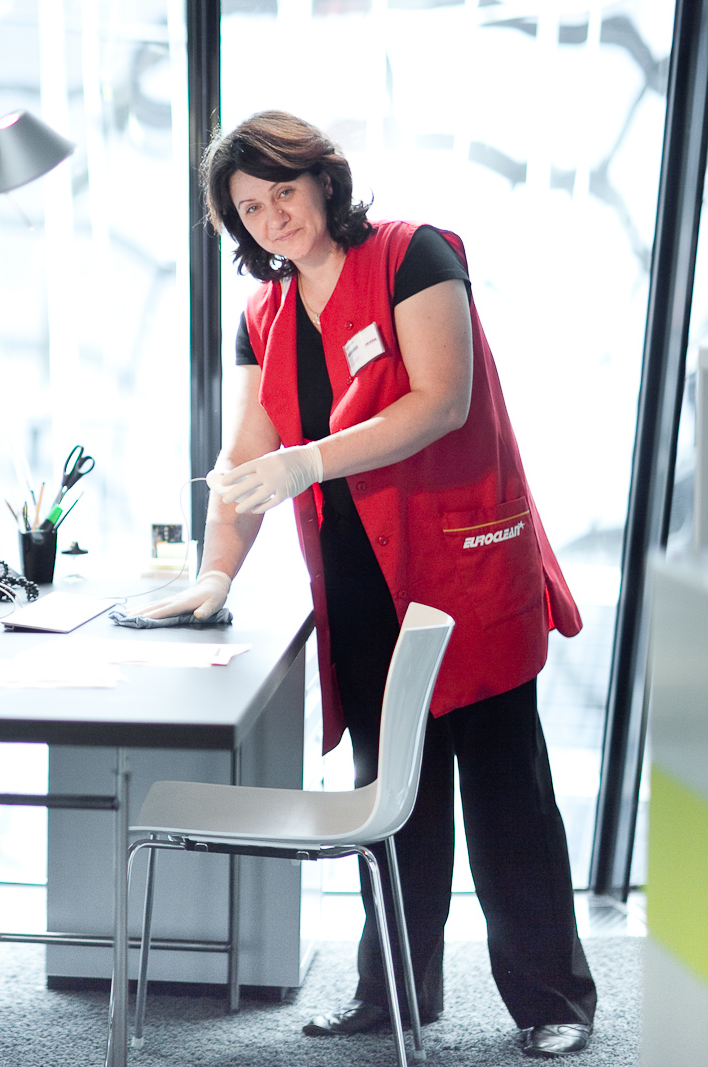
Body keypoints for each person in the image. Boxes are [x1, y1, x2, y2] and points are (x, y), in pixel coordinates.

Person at [133, 110, 598, 1059]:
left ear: (323, 182)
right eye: (248, 209)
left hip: (464, 562)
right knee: (393, 793)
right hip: (359, 577)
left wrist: (308, 461)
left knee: (505, 790)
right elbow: (246, 457)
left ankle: (554, 999)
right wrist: (217, 569)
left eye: (282, 193)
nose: (270, 219)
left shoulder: (411, 256)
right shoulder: (264, 315)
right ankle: (394, 993)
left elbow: (443, 398)